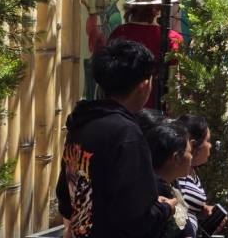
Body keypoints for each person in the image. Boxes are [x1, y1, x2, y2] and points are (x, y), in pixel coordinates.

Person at [56, 40, 176, 238]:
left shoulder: (81, 124)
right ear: (144, 84)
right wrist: (166, 209)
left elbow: (65, 197)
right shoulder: (126, 134)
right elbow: (137, 218)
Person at [107, 0, 185, 108]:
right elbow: (174, 83)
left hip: (119, 106)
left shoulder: (118, 33)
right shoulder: (172, 38)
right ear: (157, 9)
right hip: (156, 111)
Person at [145, 119, 195, 238]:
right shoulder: (153, 196)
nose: (191, 157)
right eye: (189, 152)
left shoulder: (170, 186)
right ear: (176, 158)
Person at [175, 115, 221, 237]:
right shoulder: (177, 174)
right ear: (194, 145)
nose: (210, 146)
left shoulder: (192, 171)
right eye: (208, 141)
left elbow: (187, 207)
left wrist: (204, 210)